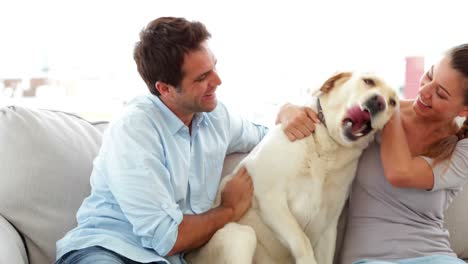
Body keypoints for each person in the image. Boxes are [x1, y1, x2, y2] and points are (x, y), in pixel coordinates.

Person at [55, 17, 317, 264]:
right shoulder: (135, 130)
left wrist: (285, 112)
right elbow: (166, 238)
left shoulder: (216, 118)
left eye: (214, 67)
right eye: (202, 77)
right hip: (107, 250)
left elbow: (262, 136)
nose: (217, 81)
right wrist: (228, 210)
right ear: (165, 89)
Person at [340, 43, 468, 264]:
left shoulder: (462, 148)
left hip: (436, 257)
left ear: (464, 111)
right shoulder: (376, 112)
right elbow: (320, 114)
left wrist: (390, 107)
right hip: (369, 260)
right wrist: (288, 112)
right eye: (429, 76)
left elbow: (400, 172)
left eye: (440, 93)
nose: (424, 92)